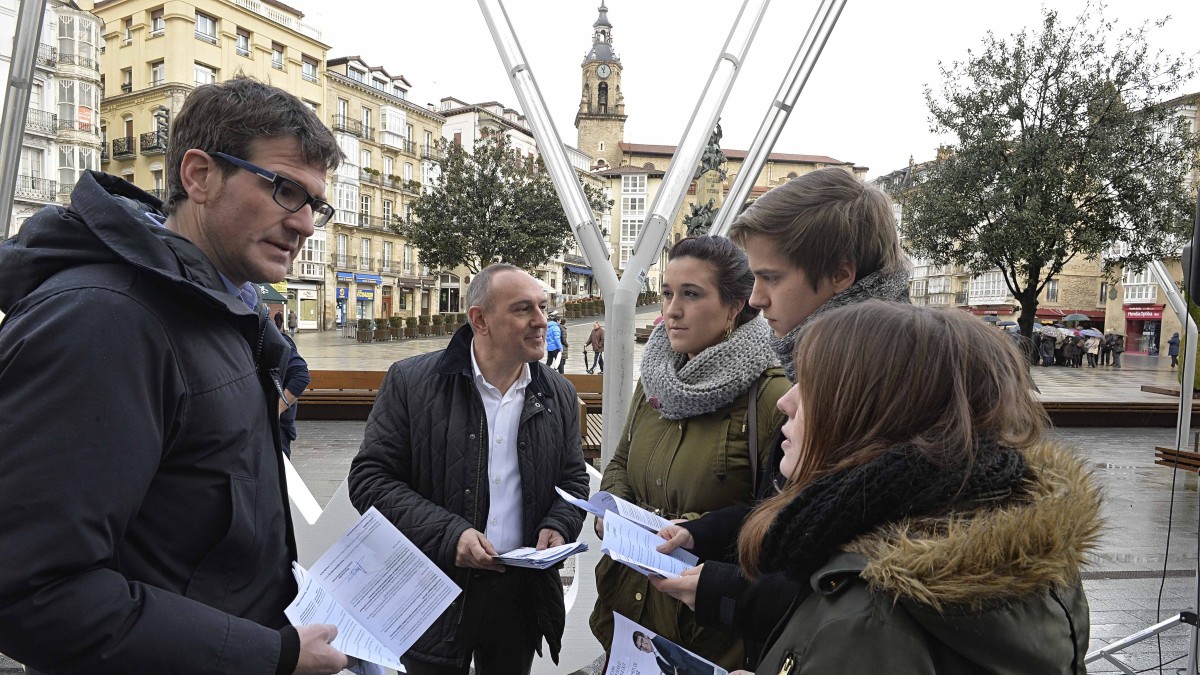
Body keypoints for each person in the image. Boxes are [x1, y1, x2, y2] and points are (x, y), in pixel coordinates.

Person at [0, 77, 349, 673]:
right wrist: (273, 654)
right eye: (286, 190)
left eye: (315, 204)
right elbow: (32, 591)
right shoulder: (105, 321)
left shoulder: (220, 313)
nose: (306, 224)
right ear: (199, 176)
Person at [731, 301, 1099, 674]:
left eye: (812, 387)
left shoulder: (869, 617)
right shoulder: (1017, 545)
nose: (785, 401)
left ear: (880, 414)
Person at [649, 168, 910, 667]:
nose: (755, 298)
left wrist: (729, 591)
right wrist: (705, 533)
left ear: (841, 275)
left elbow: (862, 586)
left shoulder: (885, 383)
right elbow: (793, 510)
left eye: (770, 278)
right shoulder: (837, 361)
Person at [348, 263, 589, 675]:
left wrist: (560, 523)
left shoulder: (558, 392)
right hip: (432, 591)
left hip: (520, 596)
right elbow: (370, 481)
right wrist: (450, 535)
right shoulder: (411, 382)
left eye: (543, 307)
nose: (541, 321)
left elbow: (574, 479)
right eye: (523, 309)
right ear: (480, 320)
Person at [589, 235, 791, 670]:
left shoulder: (772, 396)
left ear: (735, 306)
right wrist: (614, 509)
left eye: (691, 294)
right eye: (667, 293)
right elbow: (620, 461)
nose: (671, 310)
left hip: (705, 631)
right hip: (628, 609)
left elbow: (777, 516)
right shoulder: (655, 378)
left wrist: (691, 529)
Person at [274, 311, 310, 457]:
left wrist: (275, 410)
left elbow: (301, 376)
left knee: (280, 467)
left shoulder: (270, 337)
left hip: (277, 428)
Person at [632, 631, 713, 675]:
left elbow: (679, 660)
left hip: (698, 670)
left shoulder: (659, 639)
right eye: (641, 647)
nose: (644, 646)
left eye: (642, 640)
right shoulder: (658, 660)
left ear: (645, 636)